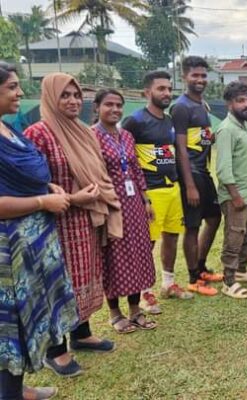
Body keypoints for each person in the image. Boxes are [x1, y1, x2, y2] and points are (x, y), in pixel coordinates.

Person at [25, 73, 121, 377]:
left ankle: (81, 334)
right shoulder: (38, 134)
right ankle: (56, 351)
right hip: (54, 223)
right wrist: (72, 198)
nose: (73, 101)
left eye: (77, 95)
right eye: (64, 95)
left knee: (84, 276)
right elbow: (31, 183)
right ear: (50, 98)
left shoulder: (83, 131)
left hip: (85, 220)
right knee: (58, 283)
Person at [0, 63, 79, 400]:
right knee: (10, 325)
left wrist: (46, 186)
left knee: (28, 319)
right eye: (12, 87)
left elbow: (24, 174)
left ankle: (16, 389)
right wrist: (42, 201)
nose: (19, 92)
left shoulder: (8, 128)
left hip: (34, 241)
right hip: (9, 248)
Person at [122, 70, 194, 313]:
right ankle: (144, 292)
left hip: (172, 189)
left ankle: (168, 283)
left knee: (172, 236)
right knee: (147, 243)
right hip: (151, 193)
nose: (166, 93)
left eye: (169, 88)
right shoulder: (135, 121)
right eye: (160, 88)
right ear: (147, 92)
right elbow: (124, 155)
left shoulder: (170, 121)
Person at [92, 89, 157, 333]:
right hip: (110, 205)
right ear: (97, 107)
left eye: (119, 105)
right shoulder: (91, 136)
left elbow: (136, 169)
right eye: (109, 104)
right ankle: (115, 313)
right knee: (114, 257)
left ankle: (135, 310)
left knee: (138, 254)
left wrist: (146, 199)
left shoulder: (127, 136)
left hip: (134, 205)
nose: (115, 109)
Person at [171, 56, 222, 296]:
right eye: (195, 75)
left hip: (204, 172)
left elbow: (202, 138)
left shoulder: (202, 105)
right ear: (184, 77)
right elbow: (180, 148)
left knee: (214, 218)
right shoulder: (181, 107)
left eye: (203, 75)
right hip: (191, 174)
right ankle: (193, 278)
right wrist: (189, 185)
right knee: (193, 226)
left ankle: (201, 267)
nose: (200, 79)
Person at [216, 81, 247, 299]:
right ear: (229, 104)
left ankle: (242, 270)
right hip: (235, 196)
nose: (246, 105)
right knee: (234, 237)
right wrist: (235, 196)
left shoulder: (242, 126)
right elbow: (223, 168)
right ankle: (229, 281)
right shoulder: (227, 129)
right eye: (240, 101)